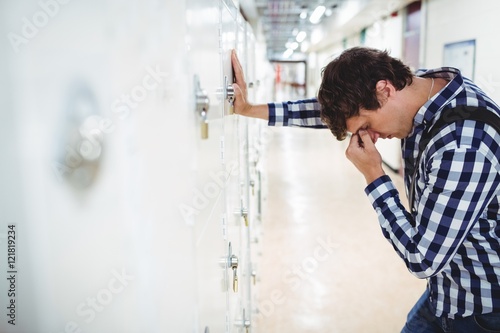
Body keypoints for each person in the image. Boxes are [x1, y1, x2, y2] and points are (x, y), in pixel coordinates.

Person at [231, 47, 500, 332]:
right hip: (447, 289)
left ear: (384, 90)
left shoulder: (463, 145)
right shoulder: (417, 87)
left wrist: (374, 175)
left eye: (367, 125)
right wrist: (250, 109)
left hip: (481, 308)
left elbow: (422, 258)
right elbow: (328, 111)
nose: (370, 137)